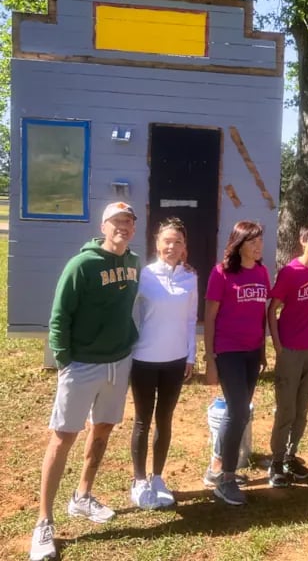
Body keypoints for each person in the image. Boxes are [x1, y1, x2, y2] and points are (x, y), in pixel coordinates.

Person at [29, 202, 140, 561]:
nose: (123, 226)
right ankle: (43, 522)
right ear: (103, 225)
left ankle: (82, 497)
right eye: (117, 221)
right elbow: (59, 316)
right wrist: (64, 362)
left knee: (103, 429)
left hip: (117, 362)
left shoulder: (133, 263)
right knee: (62, 439)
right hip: (82, 365)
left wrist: (128, 341)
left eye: (128, 221)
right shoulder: (82, 265)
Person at [129, 218, 198, 509]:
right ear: (157, 243)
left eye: (177, 242)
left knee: (165, 420)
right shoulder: (143, 275)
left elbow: (191, 318)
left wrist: (191, 355)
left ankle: (158, 477)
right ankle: (139, 480)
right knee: (143, 421)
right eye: (166, 241)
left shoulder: (190, 277)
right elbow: (131, 315)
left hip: (175, 361)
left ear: (184, 248)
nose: (171, 246)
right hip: (143, 359)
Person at [203, 220, 270, 506]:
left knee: (239, 412)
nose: (257, 246)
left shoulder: (263, 272)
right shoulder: (221, 274)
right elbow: (210, 317)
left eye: (259, 241)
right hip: (228, 352)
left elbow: (261, 315)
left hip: (252, 353)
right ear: (238, 244)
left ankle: (216, 466)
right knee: (238, 409)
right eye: (252, 241)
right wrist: (210, 358)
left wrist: (264, 350)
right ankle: (226, 479)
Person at [267, 222, 308, 487]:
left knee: (302, 408)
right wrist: (277, 344)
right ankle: (276, 461)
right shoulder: (290, 272)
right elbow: (272, 309)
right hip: (291, 349)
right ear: (303, 240)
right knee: (286, 408)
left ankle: (291, 456)